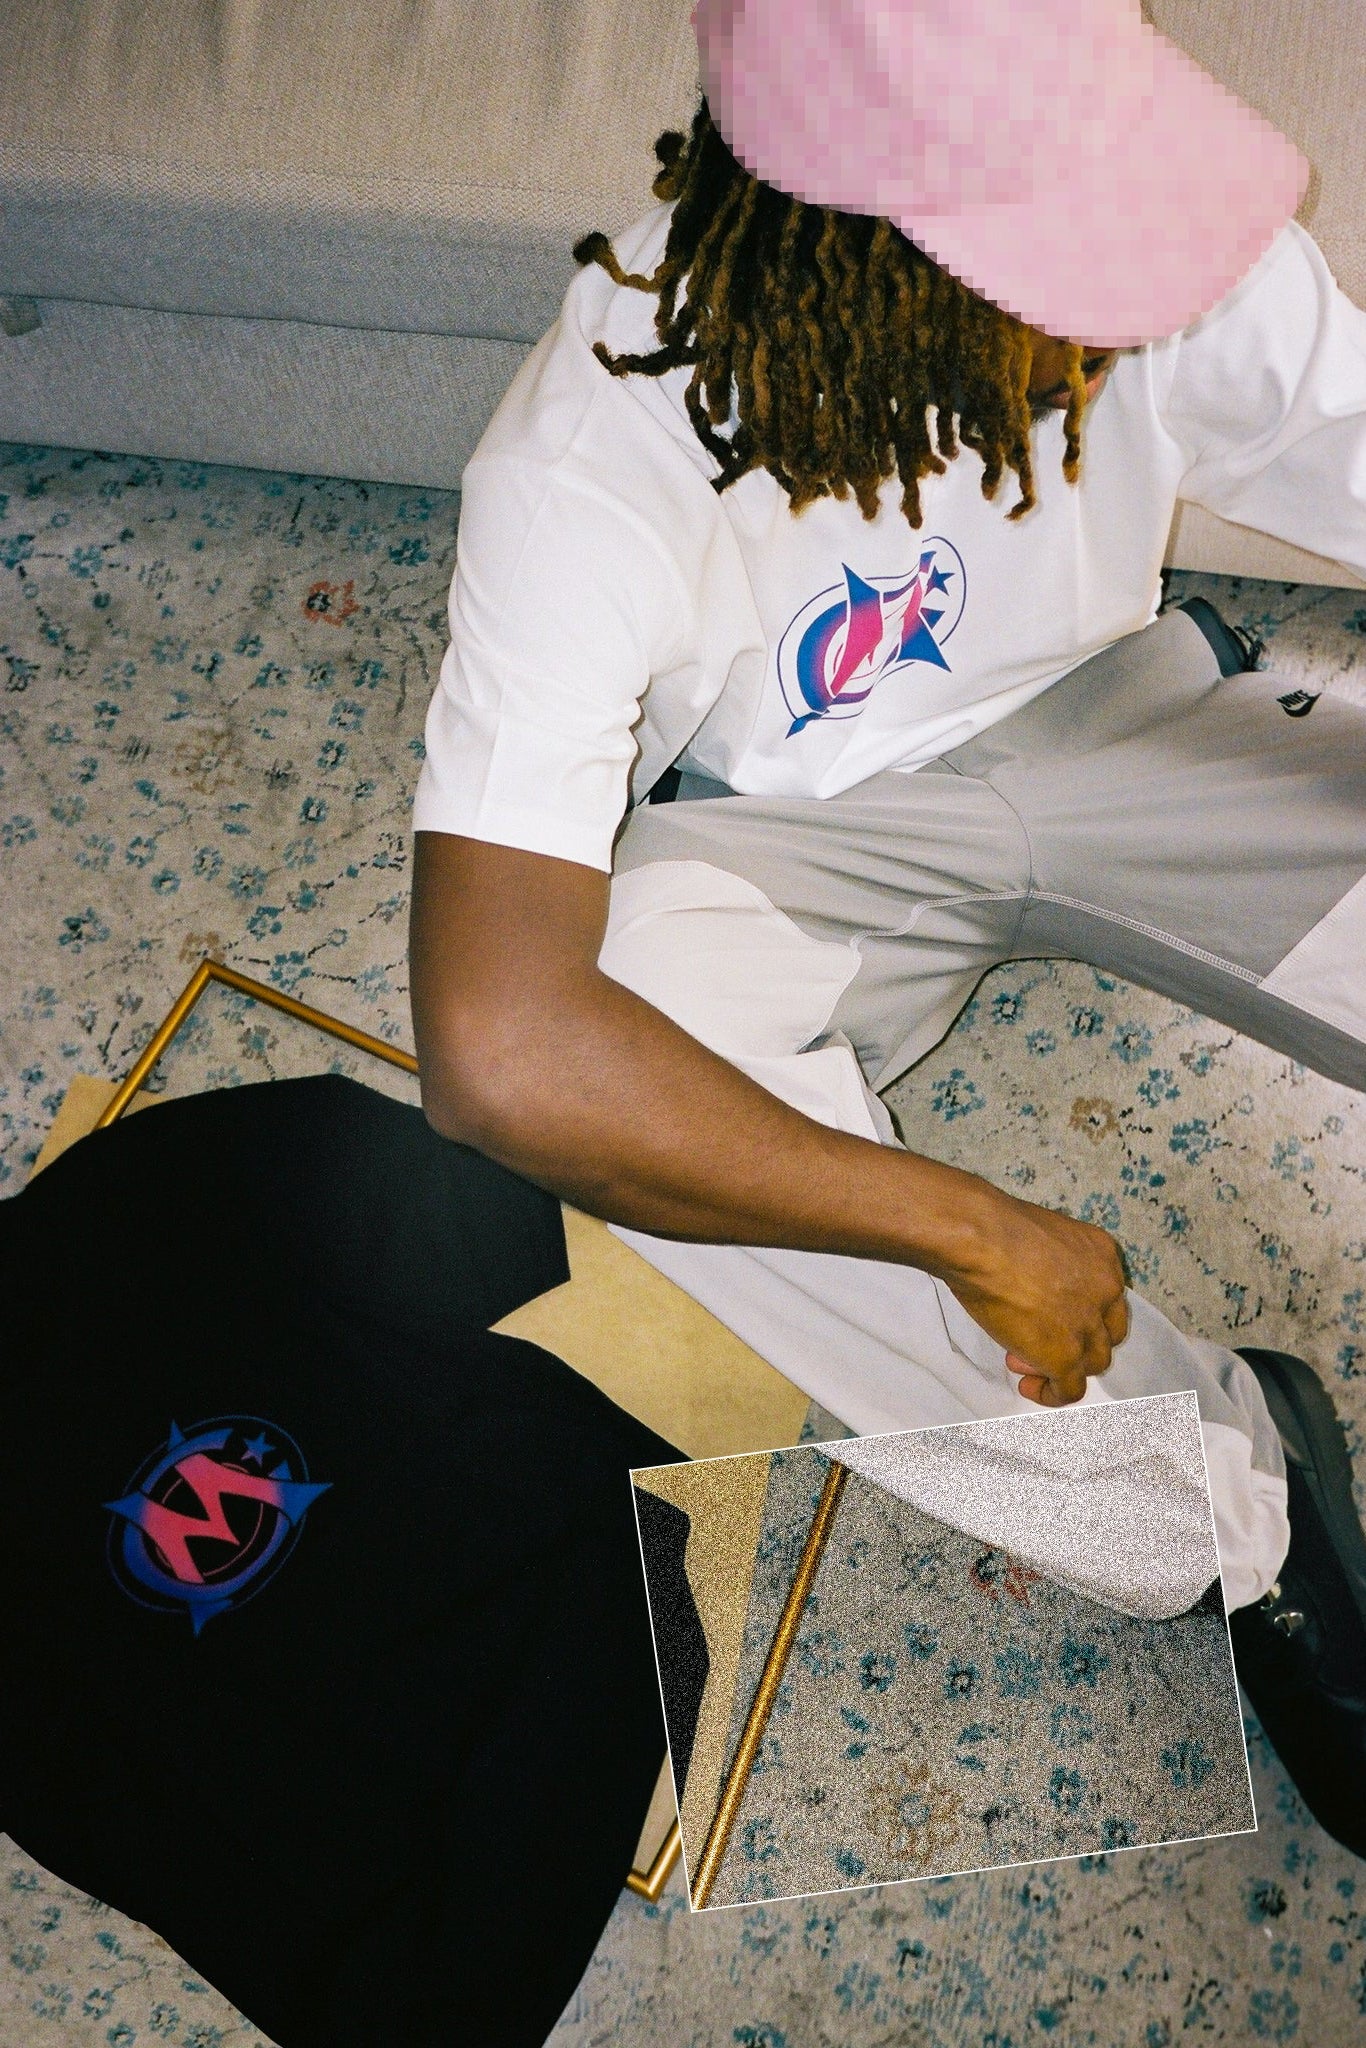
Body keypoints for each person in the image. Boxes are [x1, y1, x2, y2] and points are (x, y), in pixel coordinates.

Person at [408, 0, 1366, 1851]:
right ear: (862, 265)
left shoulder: (1153, 222)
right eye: (1071, 243)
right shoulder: (594, 439)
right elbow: (499, 1046)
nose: (1143, 268)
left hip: (1135, 719)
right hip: (792, 836)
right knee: (631, 1130)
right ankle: (1225, 1505)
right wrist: (971, 1231)